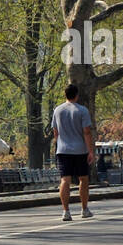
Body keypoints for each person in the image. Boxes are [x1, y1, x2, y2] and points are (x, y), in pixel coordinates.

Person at [51, 83, 94, 221]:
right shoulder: (82, 110)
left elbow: (55, 132)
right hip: (80, 150)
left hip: (63, 150)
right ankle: (84, 209)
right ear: (77, 95)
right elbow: (86, 132)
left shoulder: (57, 110)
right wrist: (90, 151)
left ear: (65, 95)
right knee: (83, 179)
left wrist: (59, 143)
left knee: (65, 180)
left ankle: (66, 211)